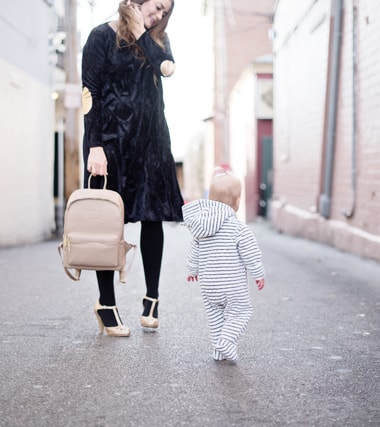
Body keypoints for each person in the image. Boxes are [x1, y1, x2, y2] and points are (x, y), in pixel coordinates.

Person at [81, 0, 183, 337]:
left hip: (151, 143)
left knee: (152, 217)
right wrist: (95, 146)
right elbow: (90, 94)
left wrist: (143, 33)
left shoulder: (157, 43)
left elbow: (167, 68)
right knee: (108, 225)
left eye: (166, 12)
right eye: (157, 7)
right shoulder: (100, 37)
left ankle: (152, 298)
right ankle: (106, 303)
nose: (160, 15)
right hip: (110, 145)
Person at [183, 171, 265, 362]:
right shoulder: (239, 229)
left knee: (216, 318)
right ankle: (226, 342)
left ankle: (219, 353)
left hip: (209, 285)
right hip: (232, 285)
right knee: (241, 311)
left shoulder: (201, 228)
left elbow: (194, 249)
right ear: (237, 201)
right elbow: (251, 254)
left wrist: (192, 269)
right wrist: (258, 273)